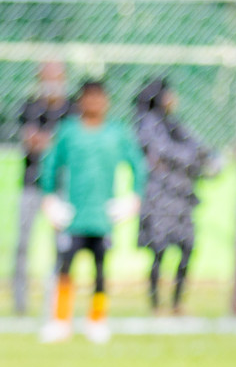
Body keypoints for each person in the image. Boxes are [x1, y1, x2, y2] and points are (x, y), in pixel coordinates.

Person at [37, 81, 145, 344]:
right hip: (73, 216)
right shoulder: (68, 132)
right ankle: (61, 320)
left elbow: (138, 166)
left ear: (106, 101)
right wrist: (50, 198)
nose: (95, 103)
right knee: (65, 268)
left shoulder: (116, 133)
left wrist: (132, 197)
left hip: (102, 217)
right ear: (81, 101)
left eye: (99, 98)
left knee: (100, 270)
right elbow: (50, 164)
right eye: (89, 98)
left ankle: (97, 319)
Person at [134, 78, 216, 315]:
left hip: (182, 198)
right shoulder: (148, 124)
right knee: (158, 250)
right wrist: (193, 159)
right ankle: (156, 304)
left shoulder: (174, 124)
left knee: (187, 246)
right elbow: (165, 152)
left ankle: (177, 302)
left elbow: (199, 148)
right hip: (160, 199)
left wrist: (204, 158)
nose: (174, 99)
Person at [13, 61, 72, 315]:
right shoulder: (30, 107)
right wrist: (52, 142)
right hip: (31, 185)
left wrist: (47, 142)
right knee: (23, 244)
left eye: (55, 75)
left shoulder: (71, 109)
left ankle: (55, 302)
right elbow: (32, 141)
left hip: (59, 189)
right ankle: (20, 302)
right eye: (46, 75)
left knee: (60, 246)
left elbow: (66, 146)